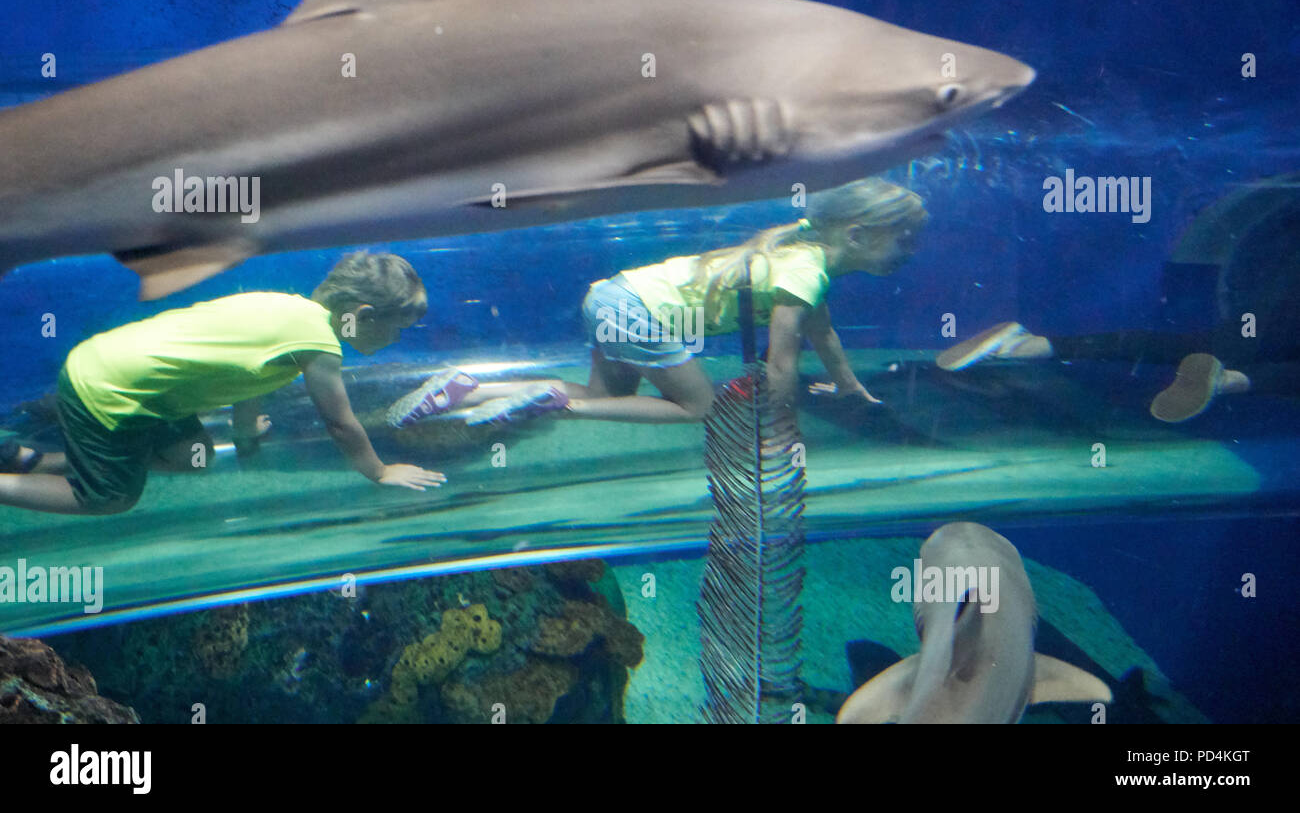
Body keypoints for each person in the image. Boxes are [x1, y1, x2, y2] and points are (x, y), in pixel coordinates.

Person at [385, 177, 927, 428]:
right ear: (855, 235)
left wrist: (852, 386)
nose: (910, 252)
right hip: (637, 313)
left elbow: (821, 334)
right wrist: (778, 431)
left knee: (608, 392)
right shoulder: (805, 270)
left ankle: (468, 386)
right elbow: (782, 358)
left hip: (611, 295)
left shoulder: (804, 254)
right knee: (700, 407)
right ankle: (555, 403)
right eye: (902, 239)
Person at [0, 251, 446, 515]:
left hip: (128, 380)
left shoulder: (288, 309)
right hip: (109, 392)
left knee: (193, 457)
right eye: (397, 328)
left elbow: (251, 377)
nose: (396, 340)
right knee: (111, 497)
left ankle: (31, 459)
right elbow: (340, 424)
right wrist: (380, 471)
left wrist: (244, 430)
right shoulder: (320, 345)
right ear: (363, 315)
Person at [935, 175, 1300, 422]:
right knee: (1234, 351)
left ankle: (1027, 344)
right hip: (1279, 318)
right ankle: (1227, 381)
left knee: (1192, 343)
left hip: (1271, 299)